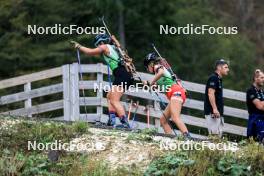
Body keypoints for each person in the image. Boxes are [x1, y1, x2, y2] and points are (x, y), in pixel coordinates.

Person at [71, 34, 133, 128]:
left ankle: (125, 123)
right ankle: (112, 119)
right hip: (124, 74)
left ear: (101, 42)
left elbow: (90, 52)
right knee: (109, 96)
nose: (98, 46)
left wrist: (79, 46)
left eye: (98, 44)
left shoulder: (104, 47)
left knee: (114, 100)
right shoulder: (115, 48)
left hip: (122, 74)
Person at [143, 53, 191, 138]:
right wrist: (150, 85)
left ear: (151, 64)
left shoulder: (157, 67)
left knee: (175, 117)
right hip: (175, 94)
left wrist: (150, 83)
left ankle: (188, 138)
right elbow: (162, 86)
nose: (148, 69)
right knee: (163, 120)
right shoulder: (157, 73)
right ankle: (171, 138)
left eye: (147, 67)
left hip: (176, 92)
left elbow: (160, 73)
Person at [204, 59, 229, 137]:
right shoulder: (214, 78)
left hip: (218, 113)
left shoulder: (218, 79)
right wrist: (214, 109)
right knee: (214, 138)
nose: (228, 70)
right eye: (226, 67)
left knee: (217, 137)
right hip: (213, 113)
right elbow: (210, 94)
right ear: (219, 67)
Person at [246, 69, 264, 142]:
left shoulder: (261, 91)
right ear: (256, 78)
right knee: (253, 143)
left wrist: (261, 102)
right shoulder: (251, 90)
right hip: (255, 119)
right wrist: (261, 104)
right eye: (262, 78)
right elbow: (260, 106)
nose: (263, 79)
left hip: (262, 119)